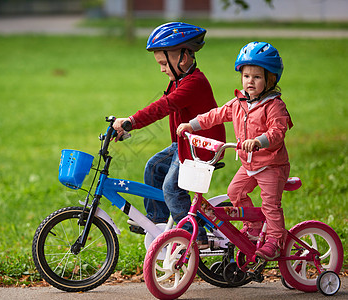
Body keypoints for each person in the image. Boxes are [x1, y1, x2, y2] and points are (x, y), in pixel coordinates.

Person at [113, 22, 226, 249]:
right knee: (153, 168)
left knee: (171, 187)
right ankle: (160, 222)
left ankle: (193, 234)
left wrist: (131, 122)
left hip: (201, 147)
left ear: (183, 58)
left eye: (164, 63)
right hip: (183, 144)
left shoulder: (194, 83)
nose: (162, 69)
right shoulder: (179, 80)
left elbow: (163, 106)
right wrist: (129, 121)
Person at [177, 41, 293, 260]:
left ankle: (276, 241)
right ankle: (253, 227)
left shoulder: (274, 105)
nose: (250, 81)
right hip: (249, 164)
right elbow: (215, 115)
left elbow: (278, 132)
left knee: (270, 204)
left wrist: (259, 141)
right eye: (246, 76)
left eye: (257, 77)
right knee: (235, 193)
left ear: (270, 80)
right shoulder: (239, 103)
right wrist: (191, 125)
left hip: (271, 165)